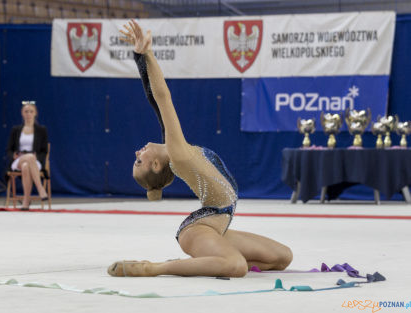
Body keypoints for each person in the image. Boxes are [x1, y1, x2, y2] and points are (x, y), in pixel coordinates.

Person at [107, 20, 292, 278]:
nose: (137, 153)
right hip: (197, 231)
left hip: (216, 226)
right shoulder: (179, 154)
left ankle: (212, 260)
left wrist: (139, 58)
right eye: (139, 161)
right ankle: (152, 268)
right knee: (236, 267)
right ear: (157, 166)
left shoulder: (173, 147)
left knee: (283, 257)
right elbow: (163, 96)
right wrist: (147, 54)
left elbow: (152, 96)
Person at [6, 101, 48, 210]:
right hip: (19, 159)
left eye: (31, 111)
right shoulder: (16, 130)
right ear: (22, 113)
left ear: (35, 113)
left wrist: (36, 157)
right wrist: (13, 155)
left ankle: (26, 201)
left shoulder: (41, 130)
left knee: (26, 166)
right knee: (28, 158)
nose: (28, 114)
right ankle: (40, 189)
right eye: (26, 111)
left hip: (35, 161)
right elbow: (9, 149)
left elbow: (44, 151)